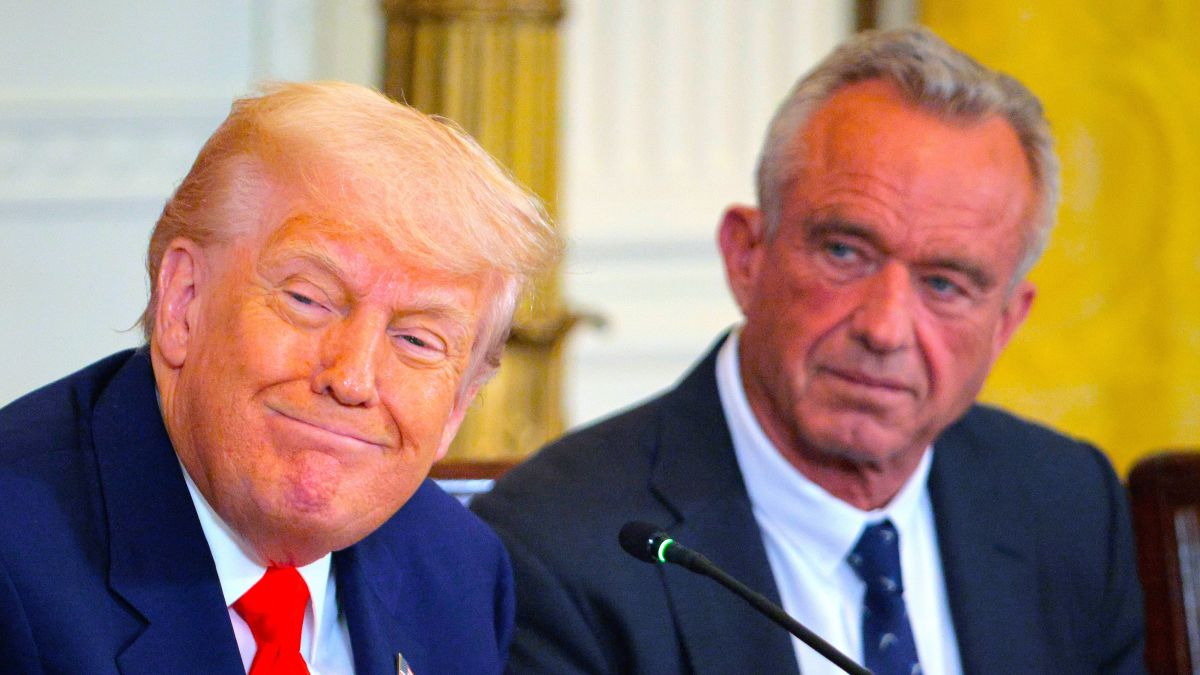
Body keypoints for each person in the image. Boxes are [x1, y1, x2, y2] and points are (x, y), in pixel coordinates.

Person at [472, 27, 1145, 675]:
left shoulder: (1068, 505)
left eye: (944, 283)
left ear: (1005, 323)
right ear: (746, 255)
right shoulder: (559, 545)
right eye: (844, 251)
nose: (884, 329)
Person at [0, 81, 560, 674]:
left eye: (418, 340)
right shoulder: (16, 565)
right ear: (184, 303)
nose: (352, 379)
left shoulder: (457, 574)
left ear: (458, 406)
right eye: (309, 300)